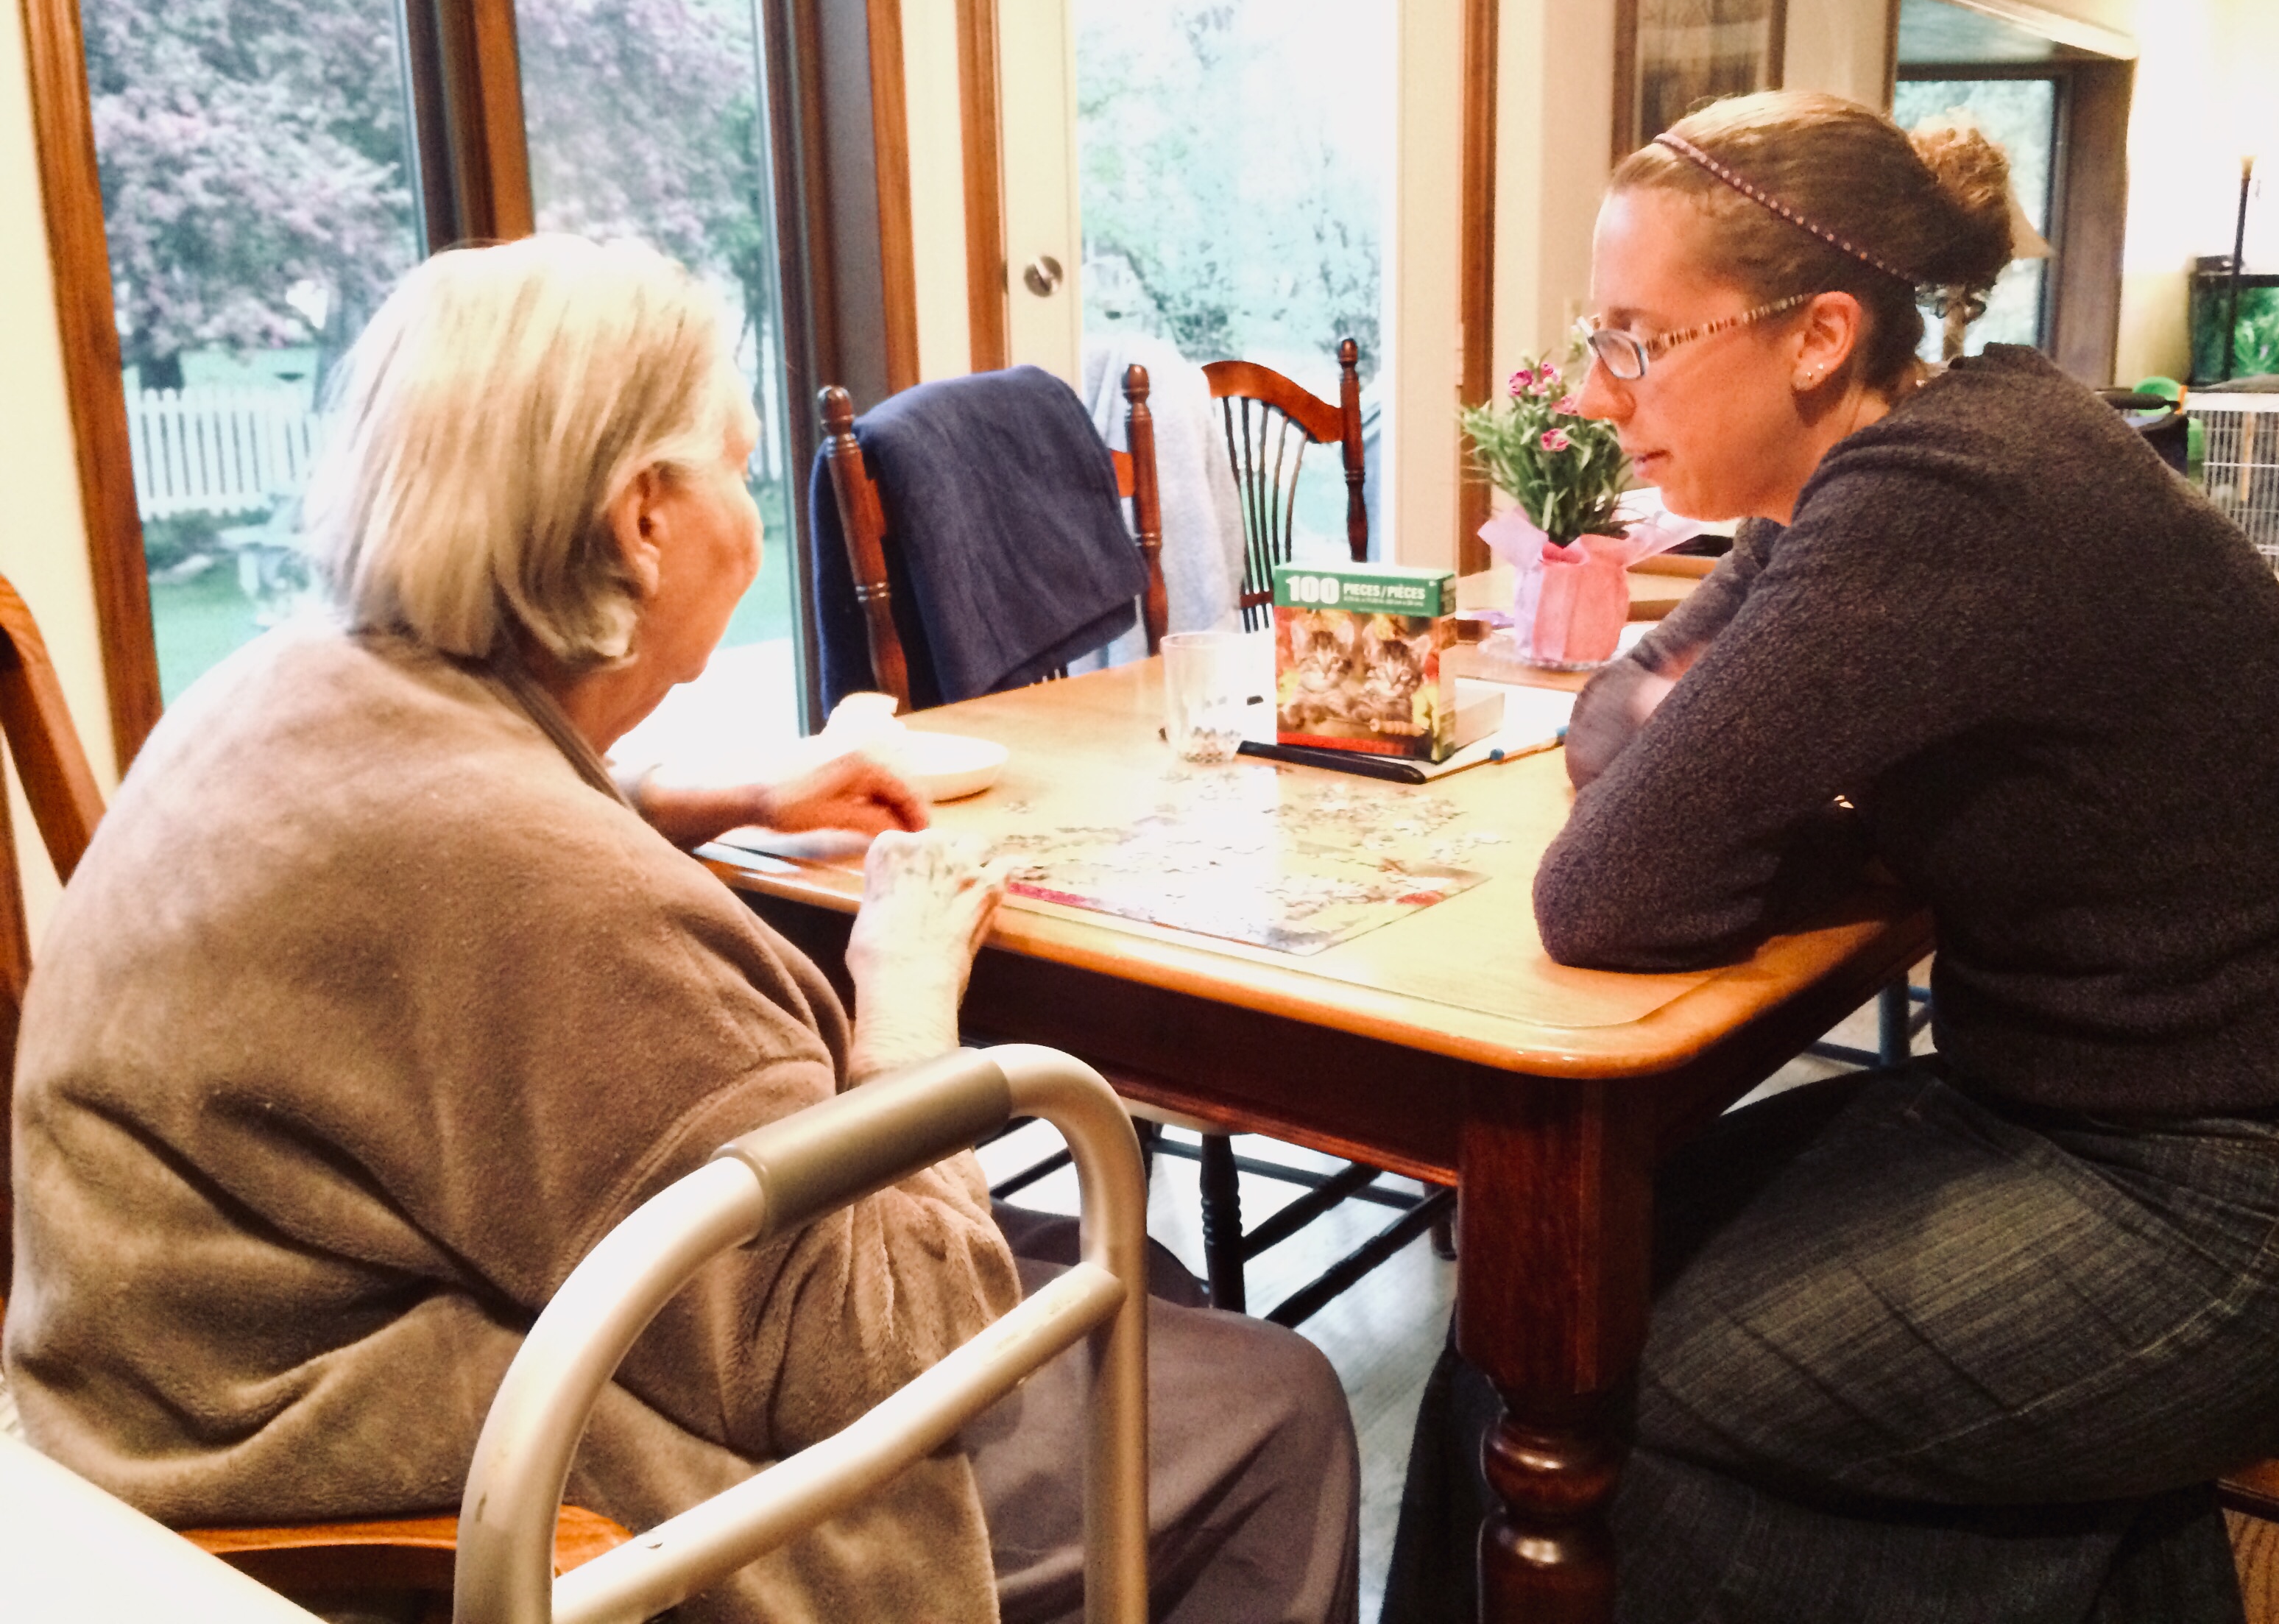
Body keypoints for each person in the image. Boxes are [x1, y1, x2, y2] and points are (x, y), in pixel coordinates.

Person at [6, 235, 1358, 1624]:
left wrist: (714, 793)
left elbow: (458, 856)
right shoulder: (545, 891)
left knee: (1143, 1277)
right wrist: (904, 999)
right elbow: (889, 1348)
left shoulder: (290, 690)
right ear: (643, 521)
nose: (754, 512)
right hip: (393, 1500)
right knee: (1275, 1401)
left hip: (165, 1410)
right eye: (740, 467)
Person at [1382, 92, 2279, 1623]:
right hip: (2069, 1110)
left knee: (1561, 1372)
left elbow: (1608, 890)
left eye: (1640, 341)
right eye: (1600, 339)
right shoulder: (1867, 473)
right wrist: (1751, 800)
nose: (1598, 395)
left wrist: (1736, 805)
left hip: (2243, 1200)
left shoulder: (1948, 495)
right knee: (1542, 1303)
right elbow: (1619, 714)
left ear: (1816, 335)